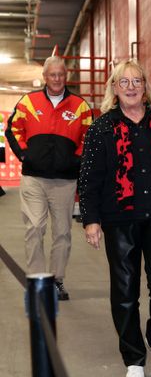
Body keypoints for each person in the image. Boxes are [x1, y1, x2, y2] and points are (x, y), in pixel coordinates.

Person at [78, 59, 151, 377]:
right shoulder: (101, 128)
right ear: (114, 88)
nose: (130, 87)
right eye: (124, 82)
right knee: (125, 291)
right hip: (119, 218)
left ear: (145, 87)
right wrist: (91, 220)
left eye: (136, 81)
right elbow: (89, 177)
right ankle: (134, 356)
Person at [5, 56, 93, 300]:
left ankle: (57, 280)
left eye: (61, 75)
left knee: (63, 232)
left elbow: (89, 137)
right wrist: (24, 154)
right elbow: (13, 129)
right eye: (52, 75)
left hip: (65, 181)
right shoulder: (29, 102)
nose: (57, 79)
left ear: (66, 76)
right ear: (45, 77)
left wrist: (76, 160)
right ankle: (37, 281)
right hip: (34, 178)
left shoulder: (80, 106)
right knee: (34, 228)